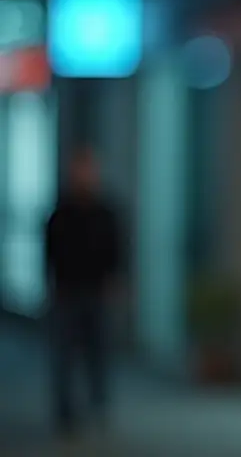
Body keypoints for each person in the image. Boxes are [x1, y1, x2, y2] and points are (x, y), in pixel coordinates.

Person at [43, 145, 123, 436]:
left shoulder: (105, 212)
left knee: (98, 353)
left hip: (97, 292)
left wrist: (115, 282)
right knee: (64, 356)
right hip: (67, 292)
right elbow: (49, 251)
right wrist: (52, 284)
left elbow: (117, 249)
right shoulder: (61, 213)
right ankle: (65, 413)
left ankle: (99, 406)